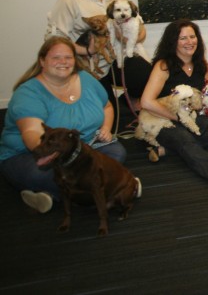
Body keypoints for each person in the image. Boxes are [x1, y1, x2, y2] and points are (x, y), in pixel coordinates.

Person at [0, 37, 136, 214]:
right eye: (56, 57)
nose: (63, 62)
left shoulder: (86, 79)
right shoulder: (28, 93)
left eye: (68, 57)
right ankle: (118, 188)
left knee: (116, 152)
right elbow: (32, 133)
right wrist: (56, 155)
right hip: (30, 154)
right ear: (42, 61)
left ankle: (54, 195)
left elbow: (107, 107)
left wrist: (105, 129)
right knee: (43, 173)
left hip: (82, 147)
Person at [45, 0, 152, 110]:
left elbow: (139, 23)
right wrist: (87, 50)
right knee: (107, 113)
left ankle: (128, 103)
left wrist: (134, 38)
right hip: (90, 65)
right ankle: (118, 107)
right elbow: (53, 39)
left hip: (117, 58)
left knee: (146, 74)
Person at [140, 19, 208, 182]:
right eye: (183, 38)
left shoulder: (202, 64)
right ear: (173, 41)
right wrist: (177, 118)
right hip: (163, 119)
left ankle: (167, 150)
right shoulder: (163, 66)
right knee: (183, 137)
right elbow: (146, 102)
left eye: (192, 37)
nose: (189, 42)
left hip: (191, 116)